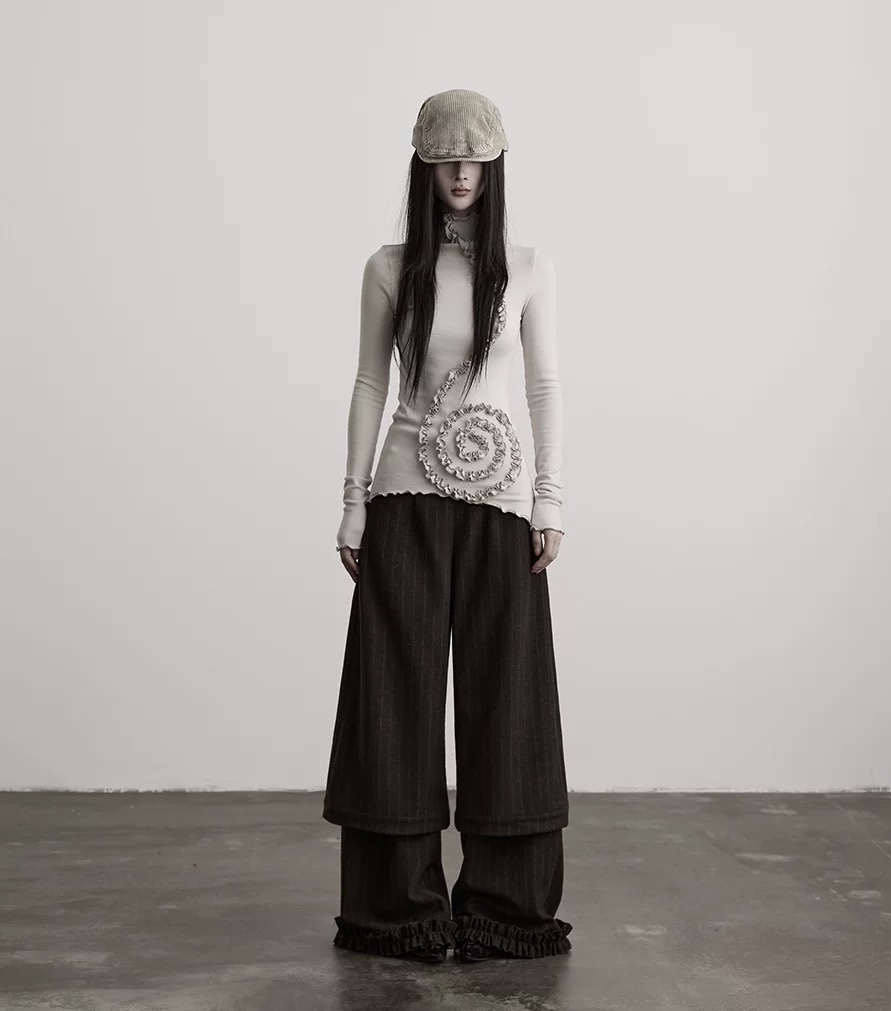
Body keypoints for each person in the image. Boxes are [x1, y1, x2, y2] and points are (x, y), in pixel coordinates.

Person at [322, 89, 571, 964]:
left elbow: (544, 387)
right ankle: (396, 909)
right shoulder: (390, 268)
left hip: (501, 507)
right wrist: (353, 501)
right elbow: (368, 384)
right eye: (445, 160)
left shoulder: (528, 267)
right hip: (404, 499)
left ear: (495, 165)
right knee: (393, 698)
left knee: (511, 699)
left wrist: (550, 497)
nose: (461, 174)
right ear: (423, 165)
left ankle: (507, 906)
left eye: (475, 159)